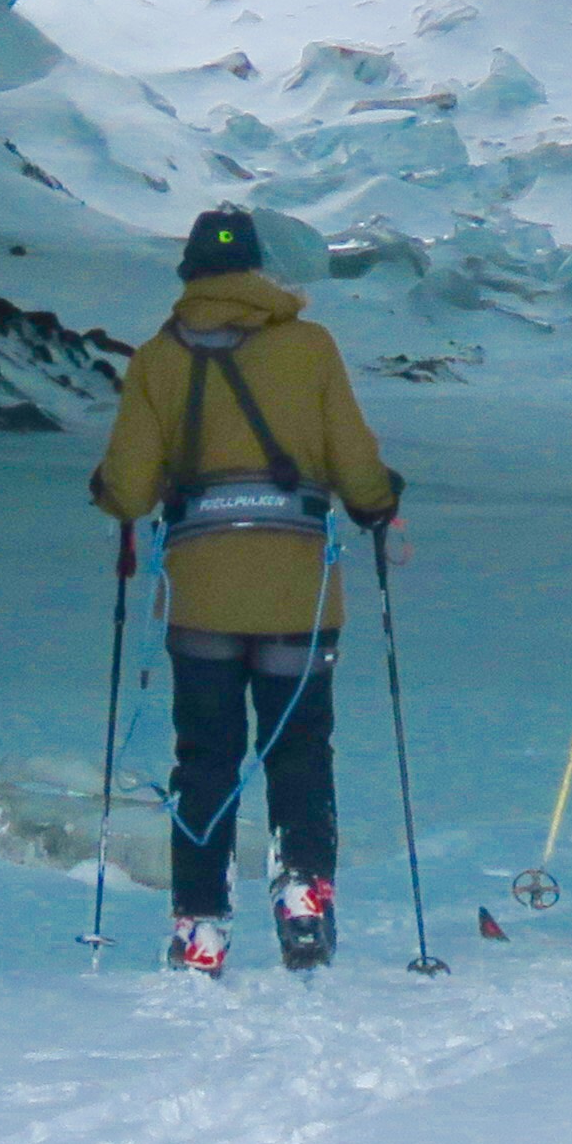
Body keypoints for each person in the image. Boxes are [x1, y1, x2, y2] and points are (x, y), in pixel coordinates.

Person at [88, 204, 403, 977]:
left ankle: (201, 925)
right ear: (259, 270)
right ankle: (303, 902)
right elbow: (355, 464)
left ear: (190, 274)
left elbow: (128, 490)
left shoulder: (157, 359)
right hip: (300, 589)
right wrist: (377, 501)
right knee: (300, 750)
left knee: (205, 758)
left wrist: (113, 489)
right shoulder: (310, 346)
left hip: (200, 593)